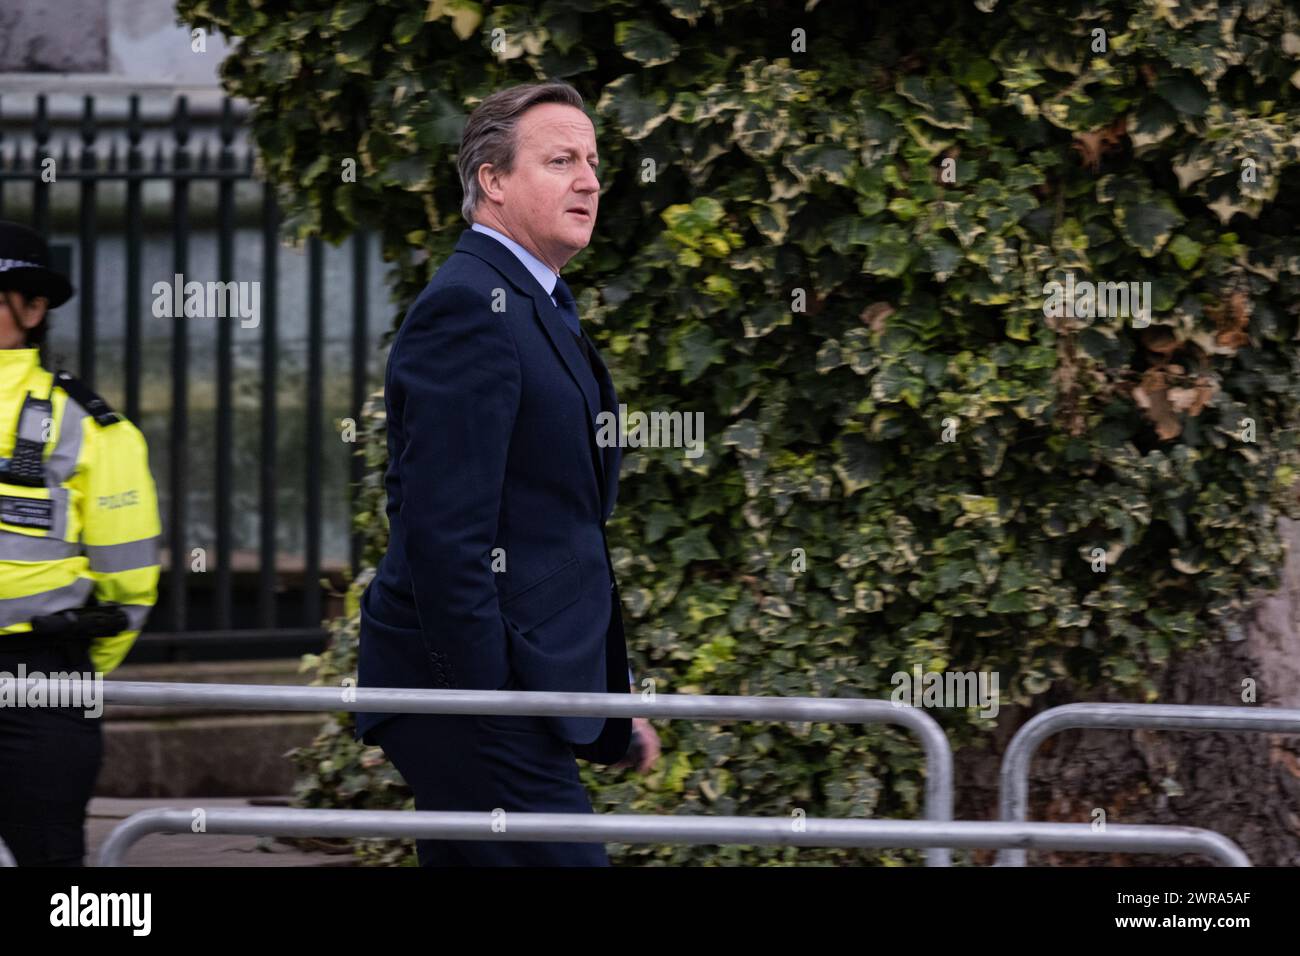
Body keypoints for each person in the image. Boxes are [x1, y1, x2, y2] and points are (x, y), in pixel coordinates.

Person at [356, 80, 661, 866]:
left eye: (593, 161)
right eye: (561, 160)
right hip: (471, 692)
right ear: (491, 181)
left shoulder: (533, 300)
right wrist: (489, 697)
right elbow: (445, 534)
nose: (590, 180)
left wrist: (606, 701)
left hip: (505, 691)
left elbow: (550, 525)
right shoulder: (470, 307)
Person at [0, 220, 161, 865]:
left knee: (49, 863)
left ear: (35, 309)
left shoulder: (93, 429)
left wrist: (70, 671)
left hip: (44, 678)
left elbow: (130, 585)